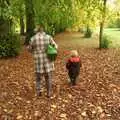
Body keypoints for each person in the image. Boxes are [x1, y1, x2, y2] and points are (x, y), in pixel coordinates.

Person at [28, 25, 58, 97]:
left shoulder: (33, 38)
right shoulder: (48, 37)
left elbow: (29, 49)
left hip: (38, 60)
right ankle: (48, 93)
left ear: (37, 30)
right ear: (43, 30)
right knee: (48, 77)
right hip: (48, 60)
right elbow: (55, 46)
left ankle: (39, 92)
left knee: (38, 77)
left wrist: (33, 50)